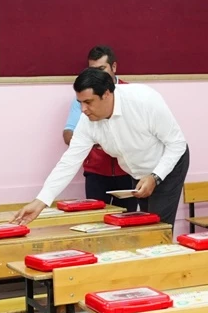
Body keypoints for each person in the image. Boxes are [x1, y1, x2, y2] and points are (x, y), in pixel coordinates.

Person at [15, 68, 189, 227]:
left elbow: (177, 144)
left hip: (168, 163)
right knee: (146, 225)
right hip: (138, 170)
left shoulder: (144, 100)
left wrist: (155, 177)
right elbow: (69, 161)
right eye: (80, 102)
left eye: (88, 102)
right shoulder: (87, 121)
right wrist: (40, 201)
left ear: (106, 94)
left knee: (158, 226)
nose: (83, 109)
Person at [62, 45, 134, 204]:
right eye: (92, 70)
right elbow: (68, 135)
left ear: (114, 67)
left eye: (102, 69)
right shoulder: (82, 99)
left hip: (128, 171)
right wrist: (94, 141)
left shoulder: (130, 94)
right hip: (96, 173)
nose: (97, 75)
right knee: (96, 216)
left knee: (127, 216)